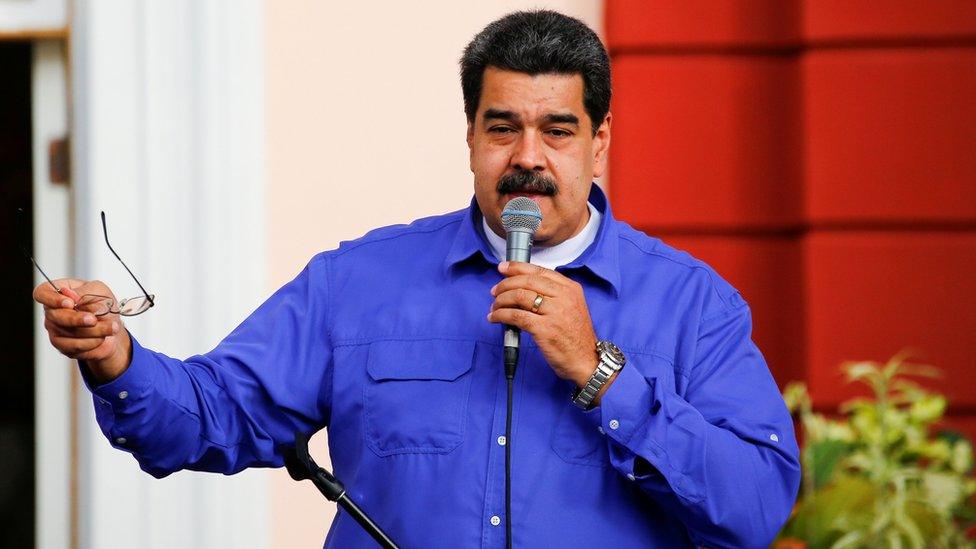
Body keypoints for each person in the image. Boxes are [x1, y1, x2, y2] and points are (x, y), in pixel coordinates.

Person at [33, 10, 799, 548]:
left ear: (599, 144)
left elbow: (754, 508)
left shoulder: (694, 305)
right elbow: (212, 414)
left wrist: (603, 372)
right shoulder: (359, 282)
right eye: (503, 127)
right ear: (470, 136)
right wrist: (115, 357)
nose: (527, 155)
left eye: (557, 130)